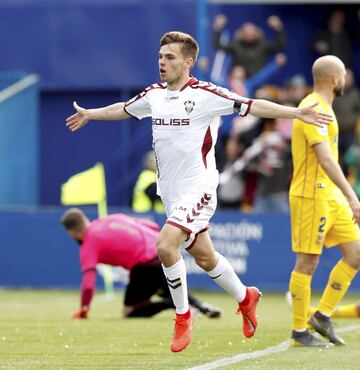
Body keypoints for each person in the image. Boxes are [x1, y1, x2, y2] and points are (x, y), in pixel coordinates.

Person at [66, 31, 332, 352]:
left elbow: (252, 105)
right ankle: (246, 296)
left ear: (188, 63)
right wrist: (91, 114)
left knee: (165, 246)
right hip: (172, 194)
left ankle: (182, 317)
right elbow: (124, 108)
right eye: (160, 57)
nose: (162, 63)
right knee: (205, 258)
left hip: (200, 189)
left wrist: (295, 112)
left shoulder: (207, 94)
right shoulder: (154, 95)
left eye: (170, 58)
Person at [288, 55, 360, 347]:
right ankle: (299, 331)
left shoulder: (324, 106)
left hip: (329, 195)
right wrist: (352, 195)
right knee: (308, 261)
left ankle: (323, 315)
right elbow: (325, 158)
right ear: (334, 78)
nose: (344, 79)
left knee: (355, 252)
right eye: (342, 74)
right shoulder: (312, 107)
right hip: (311, 194)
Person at [61, 208, 222, 320]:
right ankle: (202, 307)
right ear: (84, 219)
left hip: (145, 264)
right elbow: (150, 225)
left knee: (130, 311)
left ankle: (174, 304)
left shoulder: (88, 243)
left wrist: (84, 309)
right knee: (165, 289)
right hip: (163, 251)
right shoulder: (110, 218)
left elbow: (89, 284)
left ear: (72, 232)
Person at [213, 14, 286, 77]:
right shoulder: (236, 45)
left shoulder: (262, 45)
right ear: (241, 33)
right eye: (246, 32)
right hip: (239, 83)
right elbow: (218, 45)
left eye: (251, 32)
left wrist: (278, 27)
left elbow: (279, 45)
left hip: (259, 81)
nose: (249, 34)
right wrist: (218, 28)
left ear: (256, 33)